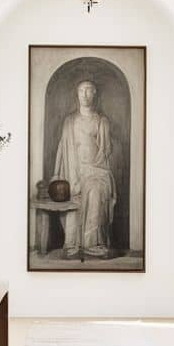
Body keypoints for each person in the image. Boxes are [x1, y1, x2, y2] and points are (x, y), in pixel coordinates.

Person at [52, 80, 116, 259]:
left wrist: (92, 169)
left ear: (94, 94)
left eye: (89, 91)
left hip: (96, 171)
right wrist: (56, 174)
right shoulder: (69, 121)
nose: (85, 94)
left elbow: (106, 151)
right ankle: (72, 243)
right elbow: (62, 148)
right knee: (73, 193)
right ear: (77, 94)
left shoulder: (101, 121)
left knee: (95, 192)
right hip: (73, 171)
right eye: (81, 90)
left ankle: (92, 244)